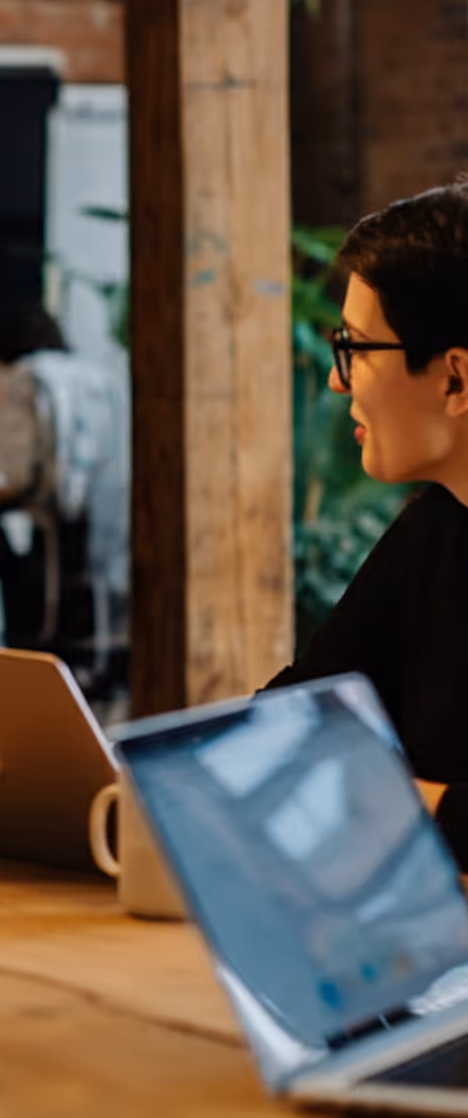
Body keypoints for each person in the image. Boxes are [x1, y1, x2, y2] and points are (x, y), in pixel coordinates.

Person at [266, 181, 468, 863]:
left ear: (456, 381)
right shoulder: (436, 529)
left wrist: (391, 798)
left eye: (355, 349)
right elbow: (299, 711)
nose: (335, 381)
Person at [0, 301, 130, 678]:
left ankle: (17, 651)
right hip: (106, 526)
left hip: (57, 534)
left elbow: (19, 473)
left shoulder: (26, 378)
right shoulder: (97, 374)